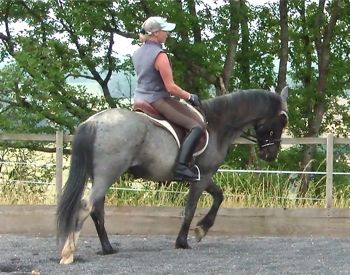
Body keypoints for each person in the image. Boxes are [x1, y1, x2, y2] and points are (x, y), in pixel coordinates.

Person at [132, 16, 206, 181]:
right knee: (196, 126)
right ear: (156, 33)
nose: (168, 34)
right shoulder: (160, 55)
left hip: (139, 99)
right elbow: (170, 87)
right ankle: (181, 167)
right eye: (165, 31)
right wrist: (190, 96)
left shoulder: (137, 53)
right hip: (157, 100)